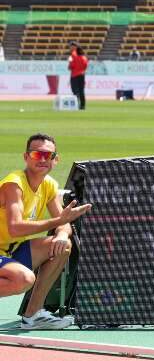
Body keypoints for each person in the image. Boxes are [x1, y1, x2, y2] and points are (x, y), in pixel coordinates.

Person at [0, 133, 91, 329]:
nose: (42, 159)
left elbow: (64, 223)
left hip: (9, 250)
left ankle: (33, 315)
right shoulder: (14, 184)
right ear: (26, 157)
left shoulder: (49, 185)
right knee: (23, 279)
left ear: (55, 160)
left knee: (63, 245)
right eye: (37, 154)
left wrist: (60, 232)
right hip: (7, 248)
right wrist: (57, 222)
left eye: (48, 155)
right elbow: (15, 227)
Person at [68, 41, 88, 110]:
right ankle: (82, 106)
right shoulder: (83, 56)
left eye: (71, 46)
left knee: (75, 91)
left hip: (74, 75)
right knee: (81, 91)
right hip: (82, 75)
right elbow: (85, 65)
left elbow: (71, 65)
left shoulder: (72, 55)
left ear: (74, 47)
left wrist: (70, 67)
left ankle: (75, 105)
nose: (70, 47)